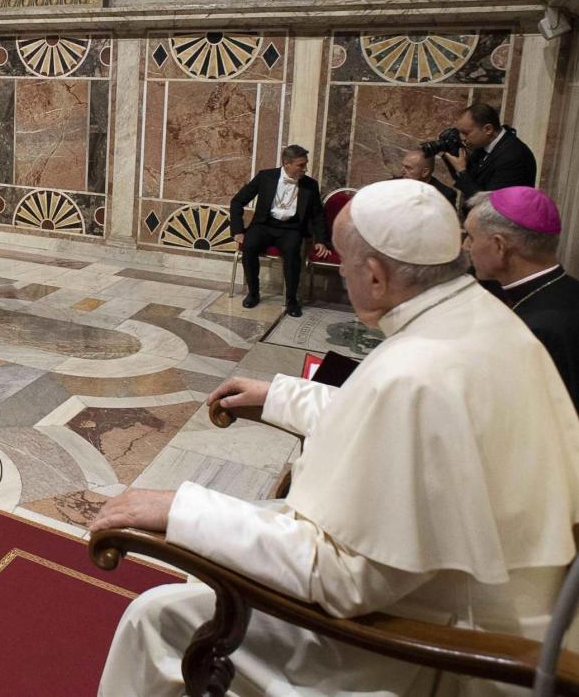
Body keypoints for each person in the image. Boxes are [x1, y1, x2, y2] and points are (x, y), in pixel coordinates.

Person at [92, 179, 579, 695]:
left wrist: (182, 511)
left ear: (373, 276)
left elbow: (346, 580)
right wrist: (278, 396)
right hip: (460, 594)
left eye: (344, 264)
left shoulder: (416, 370)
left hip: (427, 646)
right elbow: (396, 427)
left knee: (155, 619)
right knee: (217, 564)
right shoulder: (478, 320)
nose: (342, 274)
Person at [464, 187, 579, 409]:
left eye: (470, 236)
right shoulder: (568, 289)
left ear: (499, 246)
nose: (466, 246)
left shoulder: (535, 331)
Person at [229, 144, 332, 317]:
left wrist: (321, 240)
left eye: (305, 164)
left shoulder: (310, 185)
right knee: (249, 246)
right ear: (286, 163)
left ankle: (292, 300)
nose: (305, 169)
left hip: (291, 228)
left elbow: (317, 215)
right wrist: (238, 230)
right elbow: (237, 201)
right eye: (301, 165)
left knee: (293, 253)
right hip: (264, 225)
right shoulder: (265, 177)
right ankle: (253, 293)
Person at [442, 103, 537, 197]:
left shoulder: (513, 156)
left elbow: (490, 203)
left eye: (466, 133)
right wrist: (453, 153)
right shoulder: (483, 145)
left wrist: (461, 170)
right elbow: (469, 179)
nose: (462, 138)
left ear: (488, 129)